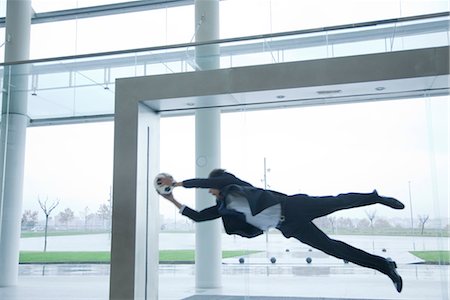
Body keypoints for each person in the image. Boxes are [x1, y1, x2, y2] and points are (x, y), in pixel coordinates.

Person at [158, 169, 404, 293]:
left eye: (211, 188)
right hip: (289, 225)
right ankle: (385, 266)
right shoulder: (223, 207)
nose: (210, 192)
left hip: (292, 205)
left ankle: (376, 198)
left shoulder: (234, 186)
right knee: (333, 248)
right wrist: (173, 201)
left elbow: (208, 182)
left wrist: (179, 183)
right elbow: (200, 217)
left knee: (338, 201)